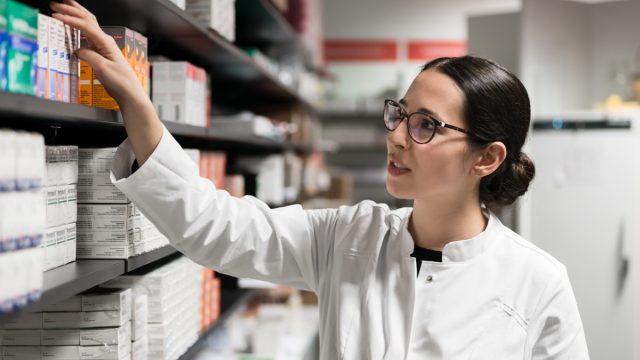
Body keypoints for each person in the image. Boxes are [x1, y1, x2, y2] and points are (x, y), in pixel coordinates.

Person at [50, 1, 589, 358]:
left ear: (486, 159)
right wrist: (139, 105)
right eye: (399, 114)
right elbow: (215, 227)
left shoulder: (538, 282)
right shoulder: (349, 238)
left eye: (425, 126)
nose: (397, 136)